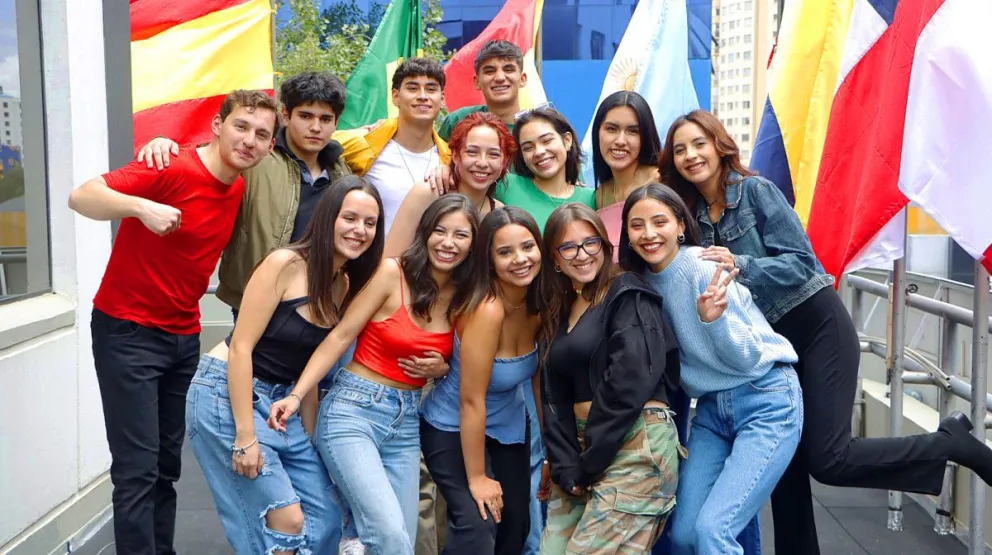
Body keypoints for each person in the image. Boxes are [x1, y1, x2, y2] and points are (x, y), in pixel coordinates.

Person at [659, 109, 992, 554]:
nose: (690, 155)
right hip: (770, 351)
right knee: (785, 475)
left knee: (829, 459)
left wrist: (742, 264)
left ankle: (950, 445)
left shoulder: (756, 192)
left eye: (699, 144)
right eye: (680, 149)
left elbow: (802, 263)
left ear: (720, 146)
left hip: (816, 327)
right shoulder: (692, 217)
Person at [68, 89, 279, 555]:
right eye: (241, 126)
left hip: (183, 336)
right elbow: (81, 196)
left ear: (269, 146)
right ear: (217, 125)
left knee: (166, 468)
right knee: (137, 470)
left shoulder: (237, 185)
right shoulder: (171, 166)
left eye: (262, 134)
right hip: (128, 331)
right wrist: (141, 207)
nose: (250, 140)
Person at [266, 195, 479, 555]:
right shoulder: (393, 273)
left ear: (473, 244)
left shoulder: (463, 295)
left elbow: (460, 364)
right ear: (425, 233)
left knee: (400, 539)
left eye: (461, 235)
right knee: (389, 537)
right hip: (354, 411)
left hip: (406, 420)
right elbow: (341, 336)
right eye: (440, 231)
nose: (448, 243)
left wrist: (442, 369)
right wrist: (297, 395)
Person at [185, 176, 384, 554]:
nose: (360, 230)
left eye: (370, 223)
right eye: (350, 218)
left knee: (326, 516)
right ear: (327, 218)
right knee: (286, 518)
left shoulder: (341, 284)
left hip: (282, 402)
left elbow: (308, 370)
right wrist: (245, 436)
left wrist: (309, 440)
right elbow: (241, 348)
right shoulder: (285, 264)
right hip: (226, 392)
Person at [619, 183, 803, 555]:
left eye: (659, 222)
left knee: (712, 531)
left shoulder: (702, 267)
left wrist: (713, 321)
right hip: (712, 410)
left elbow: (748, 358)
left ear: (680, 225)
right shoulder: (641, 283)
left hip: (766, 397)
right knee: (684, 536)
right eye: (637, 225)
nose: (649, 233)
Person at [135, 71, 352, 316]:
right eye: (305, 116)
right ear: (286, 115)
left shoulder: (340, 170)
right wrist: (163, 142)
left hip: (321, 303)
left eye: (326, 119)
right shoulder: (254, 155)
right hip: (256, 301)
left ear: (336, 122)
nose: (315, 127)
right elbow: (205, 157)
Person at [538, 203, 681, 554]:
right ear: (554, 258)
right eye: (568, 247)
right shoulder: (560, 310)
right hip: (582, 450)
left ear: (604, 245)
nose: (582, 254)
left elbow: (629, 378)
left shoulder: (627, 292)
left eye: (591, 243)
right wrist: (564, 462)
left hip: (635, 441)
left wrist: (589, 462)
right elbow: (554, 395)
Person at [419, 207, 543, 554]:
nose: (520, 259)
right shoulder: (488, 310)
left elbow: (537, 383)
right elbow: (470, 400)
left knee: (516, 526)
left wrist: (549, 453)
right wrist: (477, 478)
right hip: (452, 424)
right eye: (505, 252)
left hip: (508, 425)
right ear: (489, 261)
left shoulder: (540, 303)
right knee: (478, 524)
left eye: (527, 247)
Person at [335, 57, 452, 234]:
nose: (422, 96)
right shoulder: (365, 143)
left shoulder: (450, 159)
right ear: (396, 97)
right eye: (412, 88)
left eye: (431, 89)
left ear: (442, 99)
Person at [386, 112, 515, 257]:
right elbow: (390, 260)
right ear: (455, 155)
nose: (482, 163)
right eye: (472, 152)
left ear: (505, 161)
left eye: (494, 154)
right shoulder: (428, 193)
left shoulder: (497, 211)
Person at [499, 106, 596, 235]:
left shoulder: (593, 198)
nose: (539, 152)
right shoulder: (505, 186)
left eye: (546, 141)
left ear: (567, 140)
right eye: (528, 148)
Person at [589, 90, 662, 257]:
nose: (620, 141)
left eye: (632, 131)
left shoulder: (661, 182)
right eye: (611, 129)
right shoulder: (601, 194)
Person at [438, 40, 528, 141]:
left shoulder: (536, 128)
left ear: (522, 79)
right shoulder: (458, 121)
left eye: (508, 70)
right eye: (490, 71)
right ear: (477, 82)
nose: (500, 77)